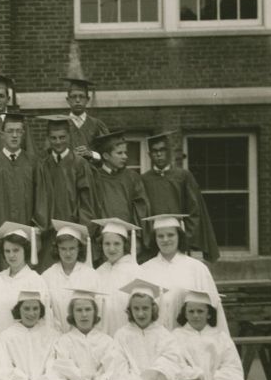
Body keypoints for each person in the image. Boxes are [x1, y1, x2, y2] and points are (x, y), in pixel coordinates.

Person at [140, 214, 228, 333]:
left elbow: (212, 308)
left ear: (179, 237)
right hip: (155, 340)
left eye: (170, 235)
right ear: (155, 239)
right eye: (160, 236)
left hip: (189, 341)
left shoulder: (197, 268)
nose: (165, 239)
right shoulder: (144, 270)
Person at [140, 132, 220, 262]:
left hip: (179, 238)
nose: (158, 154)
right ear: (149, 155)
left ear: (169, 152)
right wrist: (149, 238)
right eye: (154, 151)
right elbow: (141, 212)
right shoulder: (143, 180)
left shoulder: (183, 176)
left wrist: (185, 237)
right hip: (154, 240)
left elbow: (194, 210)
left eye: (162, 150)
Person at [33, 115, 93, 270]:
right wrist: (41, 229)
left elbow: (87, 201)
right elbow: (38, 200)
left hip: (73, 233)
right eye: (53, 138)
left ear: (69, 136)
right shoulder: (43, 165)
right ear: (48, 138)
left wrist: (83, 230)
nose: (58, 142)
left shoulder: (80, 164)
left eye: (62, 137)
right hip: (49, 234)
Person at [84, 130, 150, 262]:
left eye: (125, 152)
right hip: (102, 241)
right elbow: (89, 209)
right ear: (106, 156)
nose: (125, 156)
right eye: (119, 153)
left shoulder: (132, 178)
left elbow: (141, 209)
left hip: (127, 241)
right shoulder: (94, 178)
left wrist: (137, 237)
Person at [0, 223, 50, 335]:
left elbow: (44, 319)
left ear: (25, 251)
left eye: (16, 250)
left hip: (26, 343)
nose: (11, 255)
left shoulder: (35, 280)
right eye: (7, 251)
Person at [41, 220, 99, 333]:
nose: (68, 253)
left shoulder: (91, 275)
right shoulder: (47, 276)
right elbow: (45, 313)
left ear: (79, 248)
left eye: (72, 248)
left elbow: (97, 310)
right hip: (56, 336)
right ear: (57, 249)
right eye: (63, 248)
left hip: (84, 336)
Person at [0, 111, 36, 240]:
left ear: (23, 134)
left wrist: (36, 231)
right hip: (0, 232)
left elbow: (41, 200)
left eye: (18, 131)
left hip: (28, 233)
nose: (14, 136)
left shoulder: (34, 163)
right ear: (2, 135)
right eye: (10, 131)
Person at [92, 218, 141, 336]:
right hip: (102, 335)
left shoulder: (136, 271)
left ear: (125, 245)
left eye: (117, 243)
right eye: (107, 243)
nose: (111, 249)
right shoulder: (98, 272)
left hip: (128, 334)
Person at [63, 76, 110, 161]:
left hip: (92, 172)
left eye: (81, 96)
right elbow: (49, 154)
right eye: (74, 97)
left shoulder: (97, 125)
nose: (77, 100)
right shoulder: (60, 124)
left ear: (87, 99)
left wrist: (91, 154)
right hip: (67, 172)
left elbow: (109, 153)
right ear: (68, 100)